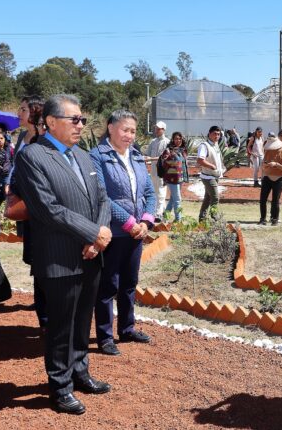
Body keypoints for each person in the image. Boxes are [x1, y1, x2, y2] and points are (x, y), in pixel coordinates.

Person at [14, 94, 113, 415]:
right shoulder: (32, 157)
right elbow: (48, 209)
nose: (81, 125)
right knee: (60, 327)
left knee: (84, 319)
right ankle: (60, 387)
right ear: (51, 123)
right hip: (59, 258)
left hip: (91, 254)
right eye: (75, 120)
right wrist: (91, 233)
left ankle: (80, 371)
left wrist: (98, 236)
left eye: (83, 120)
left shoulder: (84, 156)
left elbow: (102, 200)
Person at [90, 110, 155, 357]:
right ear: (110, 128)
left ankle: (127, 328)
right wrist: (129, 223)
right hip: (113, 232)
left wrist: (146, 221)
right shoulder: (97, 156)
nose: (129, 135)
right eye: (125, 130)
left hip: (137, 233)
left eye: (133, 131)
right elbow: (101, 196)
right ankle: (105, 336)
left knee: (129, 283)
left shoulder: (136, 157)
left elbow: (148, 192)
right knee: (108, 286)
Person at [11, 95, 47, 330]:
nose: (18, 113)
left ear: (34, 111)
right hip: (25, 206)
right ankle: (43, 316)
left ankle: (46, 317)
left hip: (42, 209)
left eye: (23, 109)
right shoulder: (22, 137)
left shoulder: (45, 139)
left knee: (44, 262)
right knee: (35, 261)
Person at [258, 133, 282, 226]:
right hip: (267, 177)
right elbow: (263, 165)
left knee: (275, 200)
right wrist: (265, 166)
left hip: (278, 179)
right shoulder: (267, 151)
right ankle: (262, 219)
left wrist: (276, 164)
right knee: (262, 199)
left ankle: (275, 219)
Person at [196, 126, 225, 222]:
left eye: (218, 134)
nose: (217, 136)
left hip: (214, 176)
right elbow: (200, 160)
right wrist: (211, 166)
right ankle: (214, 217)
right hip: (208, 176)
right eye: (215, 134)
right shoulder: (204, 145)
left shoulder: (215, 145)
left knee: (208, 198)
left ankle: (202, 218)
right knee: (215, 197)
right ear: (209, 134)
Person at [145, 121, 169, 221]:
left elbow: (165, 157)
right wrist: (146, 158)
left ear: (163, 130)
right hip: (154, 170)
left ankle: (158, 213)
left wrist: (150, 159)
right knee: (154, 190)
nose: (157, 130)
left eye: (159, 128)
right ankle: (160, 211)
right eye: (156, 128)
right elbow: (147, 154)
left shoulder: (167, 142)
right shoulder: (153, 141)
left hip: (163, 170)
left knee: (161, 191)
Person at [160, 132, 186, 221]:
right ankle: (178, 220)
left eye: (179, 138)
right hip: (172, 178)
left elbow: (183, 165)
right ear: (173, 139)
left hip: (180, 178)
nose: (178, 140)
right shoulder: (168, 150)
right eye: (176, 139)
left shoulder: (182, 150)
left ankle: (165, 218)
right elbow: (163, 162)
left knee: (172, 199)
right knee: (177, 199)